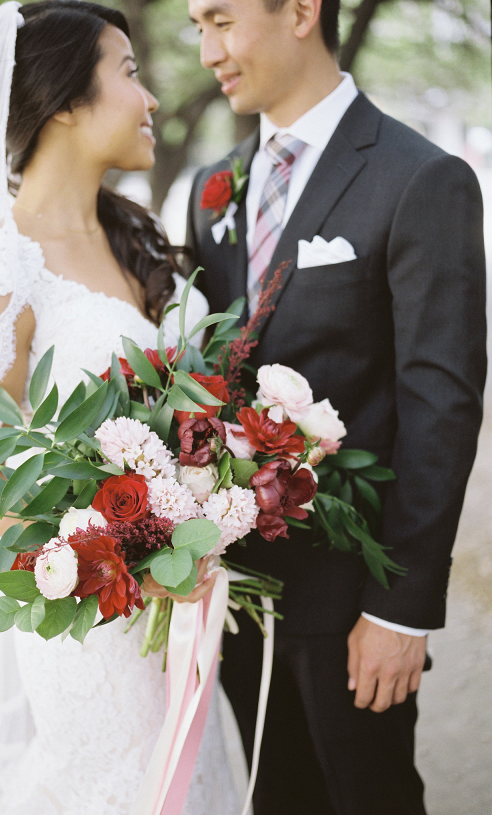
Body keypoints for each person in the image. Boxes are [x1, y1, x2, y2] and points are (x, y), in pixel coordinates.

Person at [0, 2, 240, 813]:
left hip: (177, 619)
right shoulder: (2, 274)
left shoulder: (136, 240)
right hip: (90, 639)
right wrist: (139, 555)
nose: (152, 99)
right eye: (129, 74)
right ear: (61, 101)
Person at [186, 0, 487, 812]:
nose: (208, 49)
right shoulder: (210, 189)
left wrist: (402, 611)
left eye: (221, 19)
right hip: (237, 595)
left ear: (301, 11)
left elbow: (443, 404)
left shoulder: (421, 177)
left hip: (353, 601)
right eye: (195, 26)